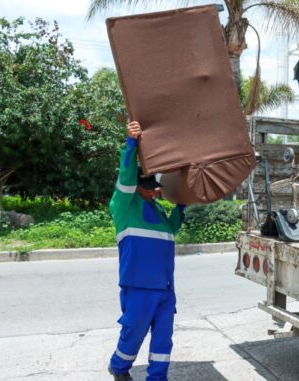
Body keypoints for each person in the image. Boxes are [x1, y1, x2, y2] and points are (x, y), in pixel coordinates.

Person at [108, 121, 185, 381]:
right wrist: (131, 143)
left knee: (164, 340)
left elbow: (172, 230)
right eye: (148, 185)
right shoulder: (124, 207)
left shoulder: (160, 212)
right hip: (139, 286)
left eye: (155, 186)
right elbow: (126, 178)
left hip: (164, 288)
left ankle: (157, 378)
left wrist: (182, 204)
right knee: (133, 333)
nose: (154, 190)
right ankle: (118, 367)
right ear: (137, 186)